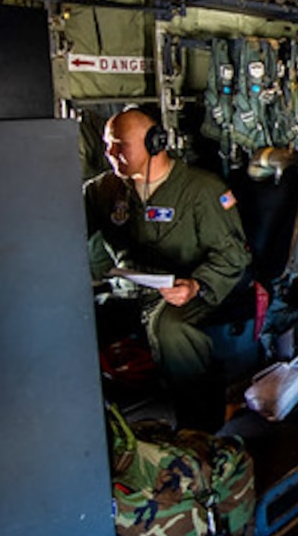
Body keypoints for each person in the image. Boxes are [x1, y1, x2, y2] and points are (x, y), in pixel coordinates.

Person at [83, 108, 251, 430]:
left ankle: (200, 429)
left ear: (155, 143)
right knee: (80, 319)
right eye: (107, 146)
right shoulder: (103, 190)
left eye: (120, 145)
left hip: (193, 289)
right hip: (131, 290)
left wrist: (195, 285)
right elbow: (63, 230)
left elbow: (233, 256)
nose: (111, 154)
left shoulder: (202, 190)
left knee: (171, 329)